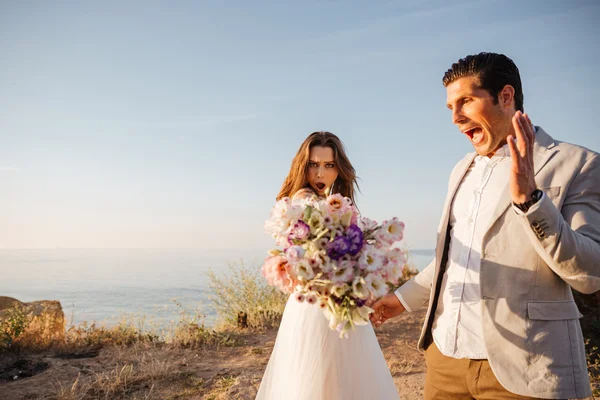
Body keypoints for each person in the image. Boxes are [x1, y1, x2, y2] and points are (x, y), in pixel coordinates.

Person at [371, 52, 600, 399]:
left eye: (465, 101)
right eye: (450, 106)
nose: (455, 117)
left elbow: (589, 271)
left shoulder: (576, 163)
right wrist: (403, 299)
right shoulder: (462, 169)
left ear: (505, 97)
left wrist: (531, 201)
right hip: (445, 360)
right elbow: (451, 255)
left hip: (529, 367)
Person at [256, 131, 400, 400]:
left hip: (332, 300)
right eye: (313, 164)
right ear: (303, 166)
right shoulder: (303, 201)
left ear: (338, 169)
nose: (320, 174)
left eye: (328, 165)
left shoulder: (329, 203)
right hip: (317, 306)